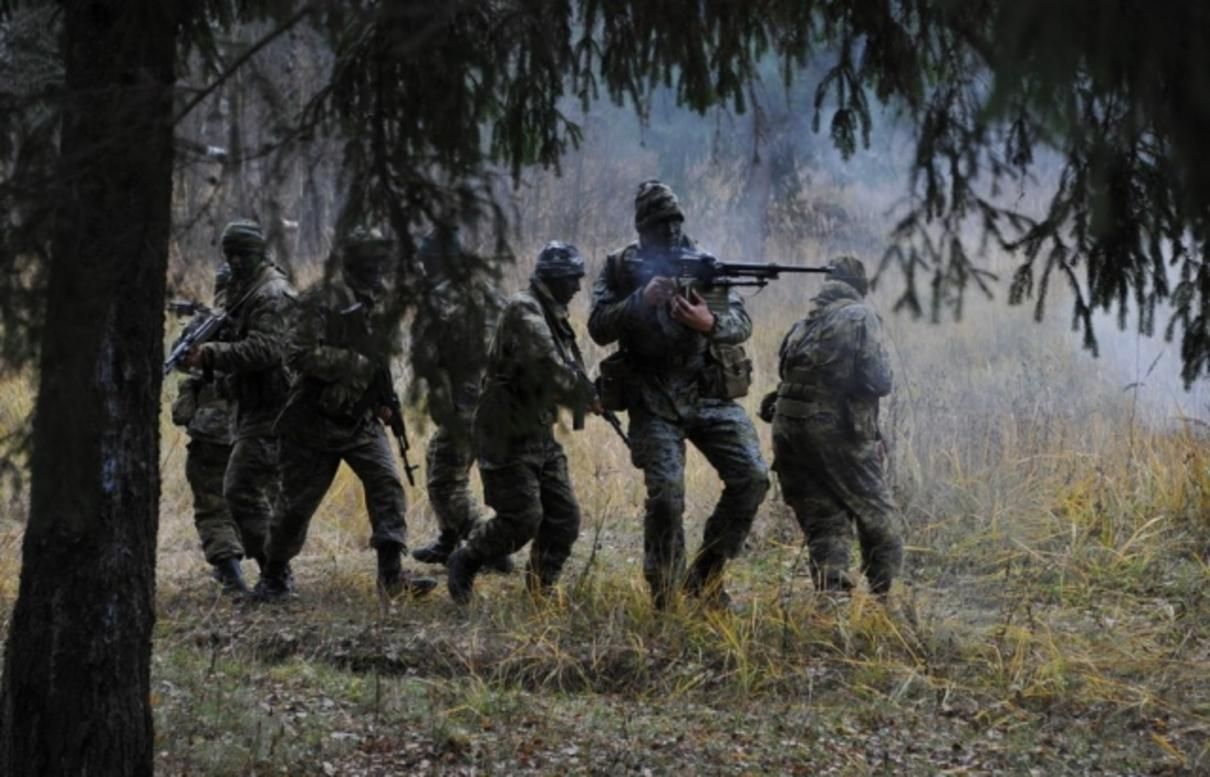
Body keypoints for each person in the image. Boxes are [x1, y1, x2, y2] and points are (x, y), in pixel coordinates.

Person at [588, 179, 769, 609]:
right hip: (653, 398)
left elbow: (740, 322)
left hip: (707, 393)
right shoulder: (620, 266)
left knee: (753, 478)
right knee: (667, 497)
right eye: (659, 225)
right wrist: (639, 300)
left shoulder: (702, 262)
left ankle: (705, 579)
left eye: (675, 223)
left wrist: (708, 323)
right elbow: (598, 327)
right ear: (642, 229)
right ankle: (666, 597)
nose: (670, 232)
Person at [253, 227, 436, 601]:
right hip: (314, 420)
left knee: (387, 485)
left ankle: (391, 577)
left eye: (380, 257)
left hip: (360, 420)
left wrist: (382, 399)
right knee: (295, 507)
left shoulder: (379, 299)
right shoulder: (321, 297)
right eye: (369, 256)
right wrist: (352, 364)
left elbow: (380, 357)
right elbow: (297, 354)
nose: (377, 266)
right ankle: (273, 575)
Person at [446, 241, 594, 604]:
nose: (578, 286)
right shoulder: (524, 310)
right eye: (573, 278)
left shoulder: (551, 313)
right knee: (522, 518)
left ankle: (541, 590)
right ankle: (466, 558)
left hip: (536, 430)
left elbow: (567, 371)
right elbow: (551, 367)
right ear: (554, 278)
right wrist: (584, 395)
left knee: (564, 517)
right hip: (505, 434)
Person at [762, 256, 903, 597]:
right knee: (878, 512)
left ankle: (833, 605)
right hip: (835, 431)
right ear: (860, 286)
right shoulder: (860, 316)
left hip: (788, 432)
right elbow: (879, 380)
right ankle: (886, 598)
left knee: (825, 520)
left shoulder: (802, 325)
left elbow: (786, 376)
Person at [185, 219, 295, 581]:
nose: (236, 262)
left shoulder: (270, 293)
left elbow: (266, 348)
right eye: (230, 255)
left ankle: (273, 574)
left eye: (242, 255)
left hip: (263, 411)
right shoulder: (241, 295)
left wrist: (212, 353)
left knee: (239, 492)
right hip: (243, 410)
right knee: (242, 493)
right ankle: (266, 573)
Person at [409, 226, 512, 574]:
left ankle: (490, 548)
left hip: (464, 404)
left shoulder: (438, 298)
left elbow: (422, 356)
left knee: (444, 480)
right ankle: (448, 539)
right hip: (498, 399)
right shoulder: (488, 289)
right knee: (445, 462)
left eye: (425, 262)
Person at [170, 264, 243, 592]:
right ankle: (273, 573)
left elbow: (180, 359)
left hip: (213, 427)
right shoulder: (264, 320)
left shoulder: (205, 325)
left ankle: (231, 574)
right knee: (257, 499)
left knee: (214, 506)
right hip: (255, 426)